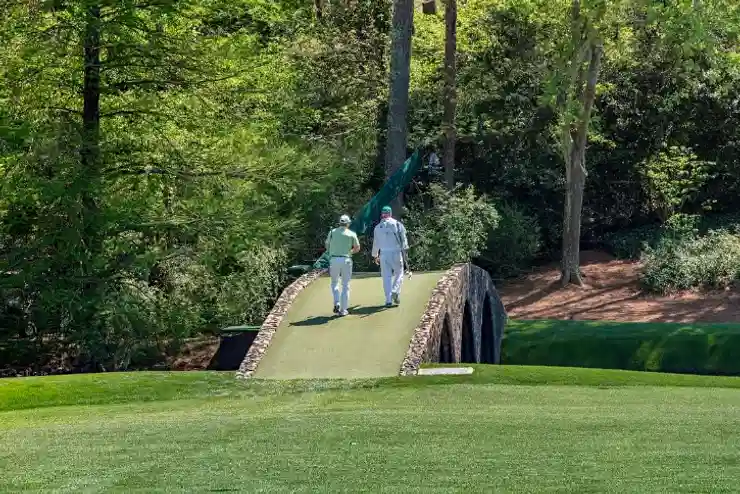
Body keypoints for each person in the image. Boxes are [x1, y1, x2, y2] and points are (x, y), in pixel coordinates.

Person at [371, 206, 409, 306]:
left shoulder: (377, 227)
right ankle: (395, 290)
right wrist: (405, 251)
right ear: (390, 213)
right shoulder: (397, 224)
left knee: (386, 277)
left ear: (382, 214)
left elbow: (376, 243)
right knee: (399, 273)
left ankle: (388, 300)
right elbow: (403, 239)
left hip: (383, 254)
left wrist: (375, 255)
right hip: (396, 252)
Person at [325, 214, 360, 316]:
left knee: (334, 283)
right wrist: (350, 252)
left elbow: (327, 245)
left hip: (334, 259)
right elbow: (357, 248)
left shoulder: (332, 232)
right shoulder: (351, 234)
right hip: (346, 260)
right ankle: (343, 310)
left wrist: (332, 251)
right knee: (345, 285)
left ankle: (337, 302)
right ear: (348, 223)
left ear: (339, 223)